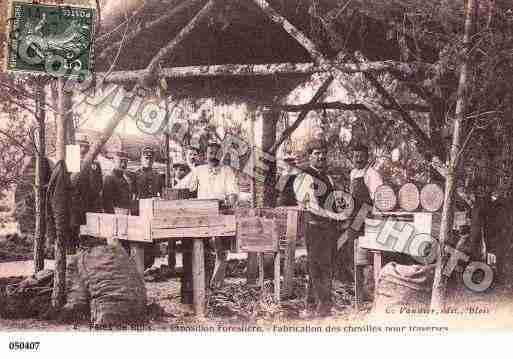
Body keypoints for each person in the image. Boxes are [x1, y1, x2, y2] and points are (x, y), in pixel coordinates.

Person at [293, 139, 347, 317]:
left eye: (323, 153)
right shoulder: (304, 176)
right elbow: (311, 206)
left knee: (326, 266)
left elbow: (332, 202)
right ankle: (323, 307)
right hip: (315, 227)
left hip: (329, 229)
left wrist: (343, 211)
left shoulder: (328, 177)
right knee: (317, 267)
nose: (321, 156)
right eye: (316, 153)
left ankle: (313, 306)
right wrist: (335, 216)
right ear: (309, 156)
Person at [178, 141, 239, 289]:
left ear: (221, 155)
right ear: (206, 155)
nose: (213, 156)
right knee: (202, 249)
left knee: (221, 251)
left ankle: (216, 284)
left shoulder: (227, 171)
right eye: (211, 153)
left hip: (221, 211)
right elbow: (182, 186)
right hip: (203, 214)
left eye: (216, 153)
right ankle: (202, 284)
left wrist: (230, 201)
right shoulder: (199, 170)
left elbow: (232, 192)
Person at [347, 144, 383, 300]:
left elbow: (380, 199)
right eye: (356, 156)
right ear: (352, 157)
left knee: (367, 254)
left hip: (367, 216)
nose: (358, 159)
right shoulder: (353, 173)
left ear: (367, 157)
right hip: (354, 216)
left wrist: (374, 220)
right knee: (353, 252)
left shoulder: (372, 174)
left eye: (361, 156)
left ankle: (370, 291)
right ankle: (359, 292)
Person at [69, 138, 103, 253]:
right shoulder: (72, 160)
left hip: (91, 203)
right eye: (80, 147)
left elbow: (98, 184)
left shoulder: (95, 164)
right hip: (75, 204)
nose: (83, 149)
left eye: (86, 147)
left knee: (90, 234)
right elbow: (69, 184)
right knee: (73, 231)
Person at [133, 146, 164, 269]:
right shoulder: (136, 174)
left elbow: (161, 193)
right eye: (146, 158)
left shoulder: (157, 175)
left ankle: (148, 263)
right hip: (139, 211)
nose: (148, 160)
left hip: (153, 210)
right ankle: (140, 265)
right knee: (140, 239)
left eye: (150, 159)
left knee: (152, 239)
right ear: (141, 158)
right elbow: (133, 194)